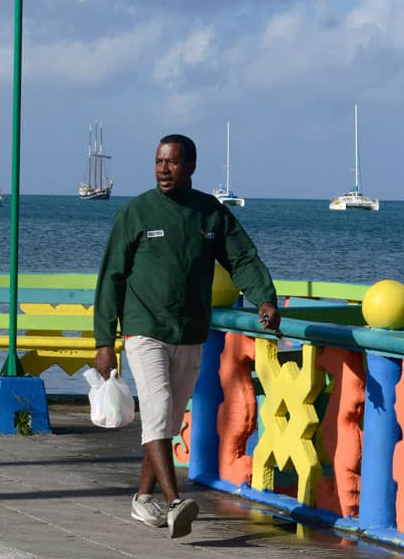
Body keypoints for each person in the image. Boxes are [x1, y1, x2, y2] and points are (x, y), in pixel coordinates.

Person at [93, 133, 280, 539]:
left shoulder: (210, 214)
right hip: (145, 329)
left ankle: (144, 499)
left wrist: (265, 298)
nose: (163, 169)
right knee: (158, 409)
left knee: (169, 418)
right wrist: (104, 340)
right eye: (159, 161)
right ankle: (176, 501)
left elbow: (242, 257)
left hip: (191, 331)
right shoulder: (136, 213)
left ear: (191, 167)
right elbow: (111, 276)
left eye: (173, 162)